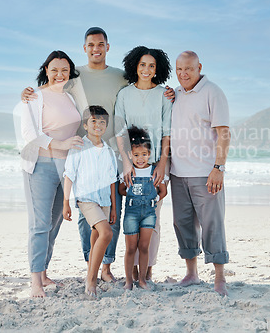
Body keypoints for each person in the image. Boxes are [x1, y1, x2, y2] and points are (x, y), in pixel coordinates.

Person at [22, 27, 175, 281]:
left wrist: (168, 91)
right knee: (86, 215)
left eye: (101, 44)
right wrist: (28, 92)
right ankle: (90, 263)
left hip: (114, 153)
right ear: (85, 48)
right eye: (91, 45)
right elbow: (51, 90)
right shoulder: (73, 75)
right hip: (83, 152)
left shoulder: (120, 76)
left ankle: (106, 267)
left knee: (113, 211)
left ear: (107, 47)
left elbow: (144, 83)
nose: (96, 49)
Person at [19, 50, 84, 298]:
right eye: (54, 69)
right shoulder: (34, 97)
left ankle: (44, 273)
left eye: (64, 70)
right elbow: (30, 135)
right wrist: (61, 145)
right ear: (46, 70)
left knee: (54, 224)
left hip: (65, 169)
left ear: (70, 72)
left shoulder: (71, 97)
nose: (60, 74)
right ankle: (35, 281)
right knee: (39, 225)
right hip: (41, 166)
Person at [170, 50, 231, 296]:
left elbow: (224, 133)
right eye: (179, 69)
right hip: (177, 173)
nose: (184, 74)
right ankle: (192, 273)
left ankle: (219, 278)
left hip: (206, 173)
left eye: (189, 69)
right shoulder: (175, 95)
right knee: (183, 224)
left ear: (199, 67)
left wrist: (218, 168)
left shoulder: (212, 92)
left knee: (212, 225)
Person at [114, 46, 172, 282]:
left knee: (153, 217)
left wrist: (162, 164)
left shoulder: (163, 95)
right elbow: (119, 131)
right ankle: (132, 271)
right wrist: (127, 163)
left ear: (157, 69)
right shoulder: (125, 94)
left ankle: (147, 269)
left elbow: (167, 133)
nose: (146, 70)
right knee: (132, 215)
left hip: (155, 163)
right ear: (134, 66)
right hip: (131, 163)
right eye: (142, 65)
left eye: (151, 66)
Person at [62, 106, 117, 297]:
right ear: (85, 125)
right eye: (93, 121)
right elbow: (69, 175)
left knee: (96, 240)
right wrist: (66, 202)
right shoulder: (79, 147)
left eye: (102, 122)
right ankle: (92, 280)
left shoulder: (109, 151)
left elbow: (112, 181)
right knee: (106, 233)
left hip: (104, 200)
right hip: (86, 199)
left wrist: (113, 208)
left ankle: (89, 276)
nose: (98, 125)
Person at [119, 126, 167, 290]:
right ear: (130, 155)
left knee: (144, 247)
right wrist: (134, 196)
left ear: (150, 154)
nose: (140, 159)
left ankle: (142, 280)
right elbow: (121, 189)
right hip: (131, 214)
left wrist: (152, 199)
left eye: (144, 155)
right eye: (137, 155)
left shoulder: (154, 171)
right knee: (130, 248)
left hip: (148, 214)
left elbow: (163, 191)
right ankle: (128, 281)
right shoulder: (128, 172)